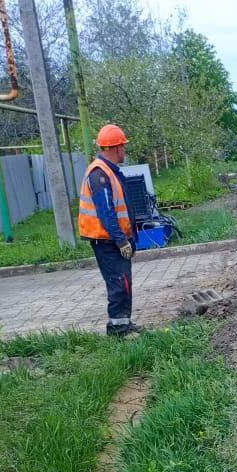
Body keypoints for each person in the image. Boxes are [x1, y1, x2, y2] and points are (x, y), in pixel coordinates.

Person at [78, 124, 140, 336]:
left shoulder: (109, 172)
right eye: (123, 146)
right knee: (118, 284)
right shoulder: (100, 174)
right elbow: (106, 212)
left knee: (124, 283)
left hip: (113, 239)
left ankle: (123, 323)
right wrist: (121, 240)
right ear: (116, 147)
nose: (125, 150)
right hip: (107, 241)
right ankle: (118, 331)